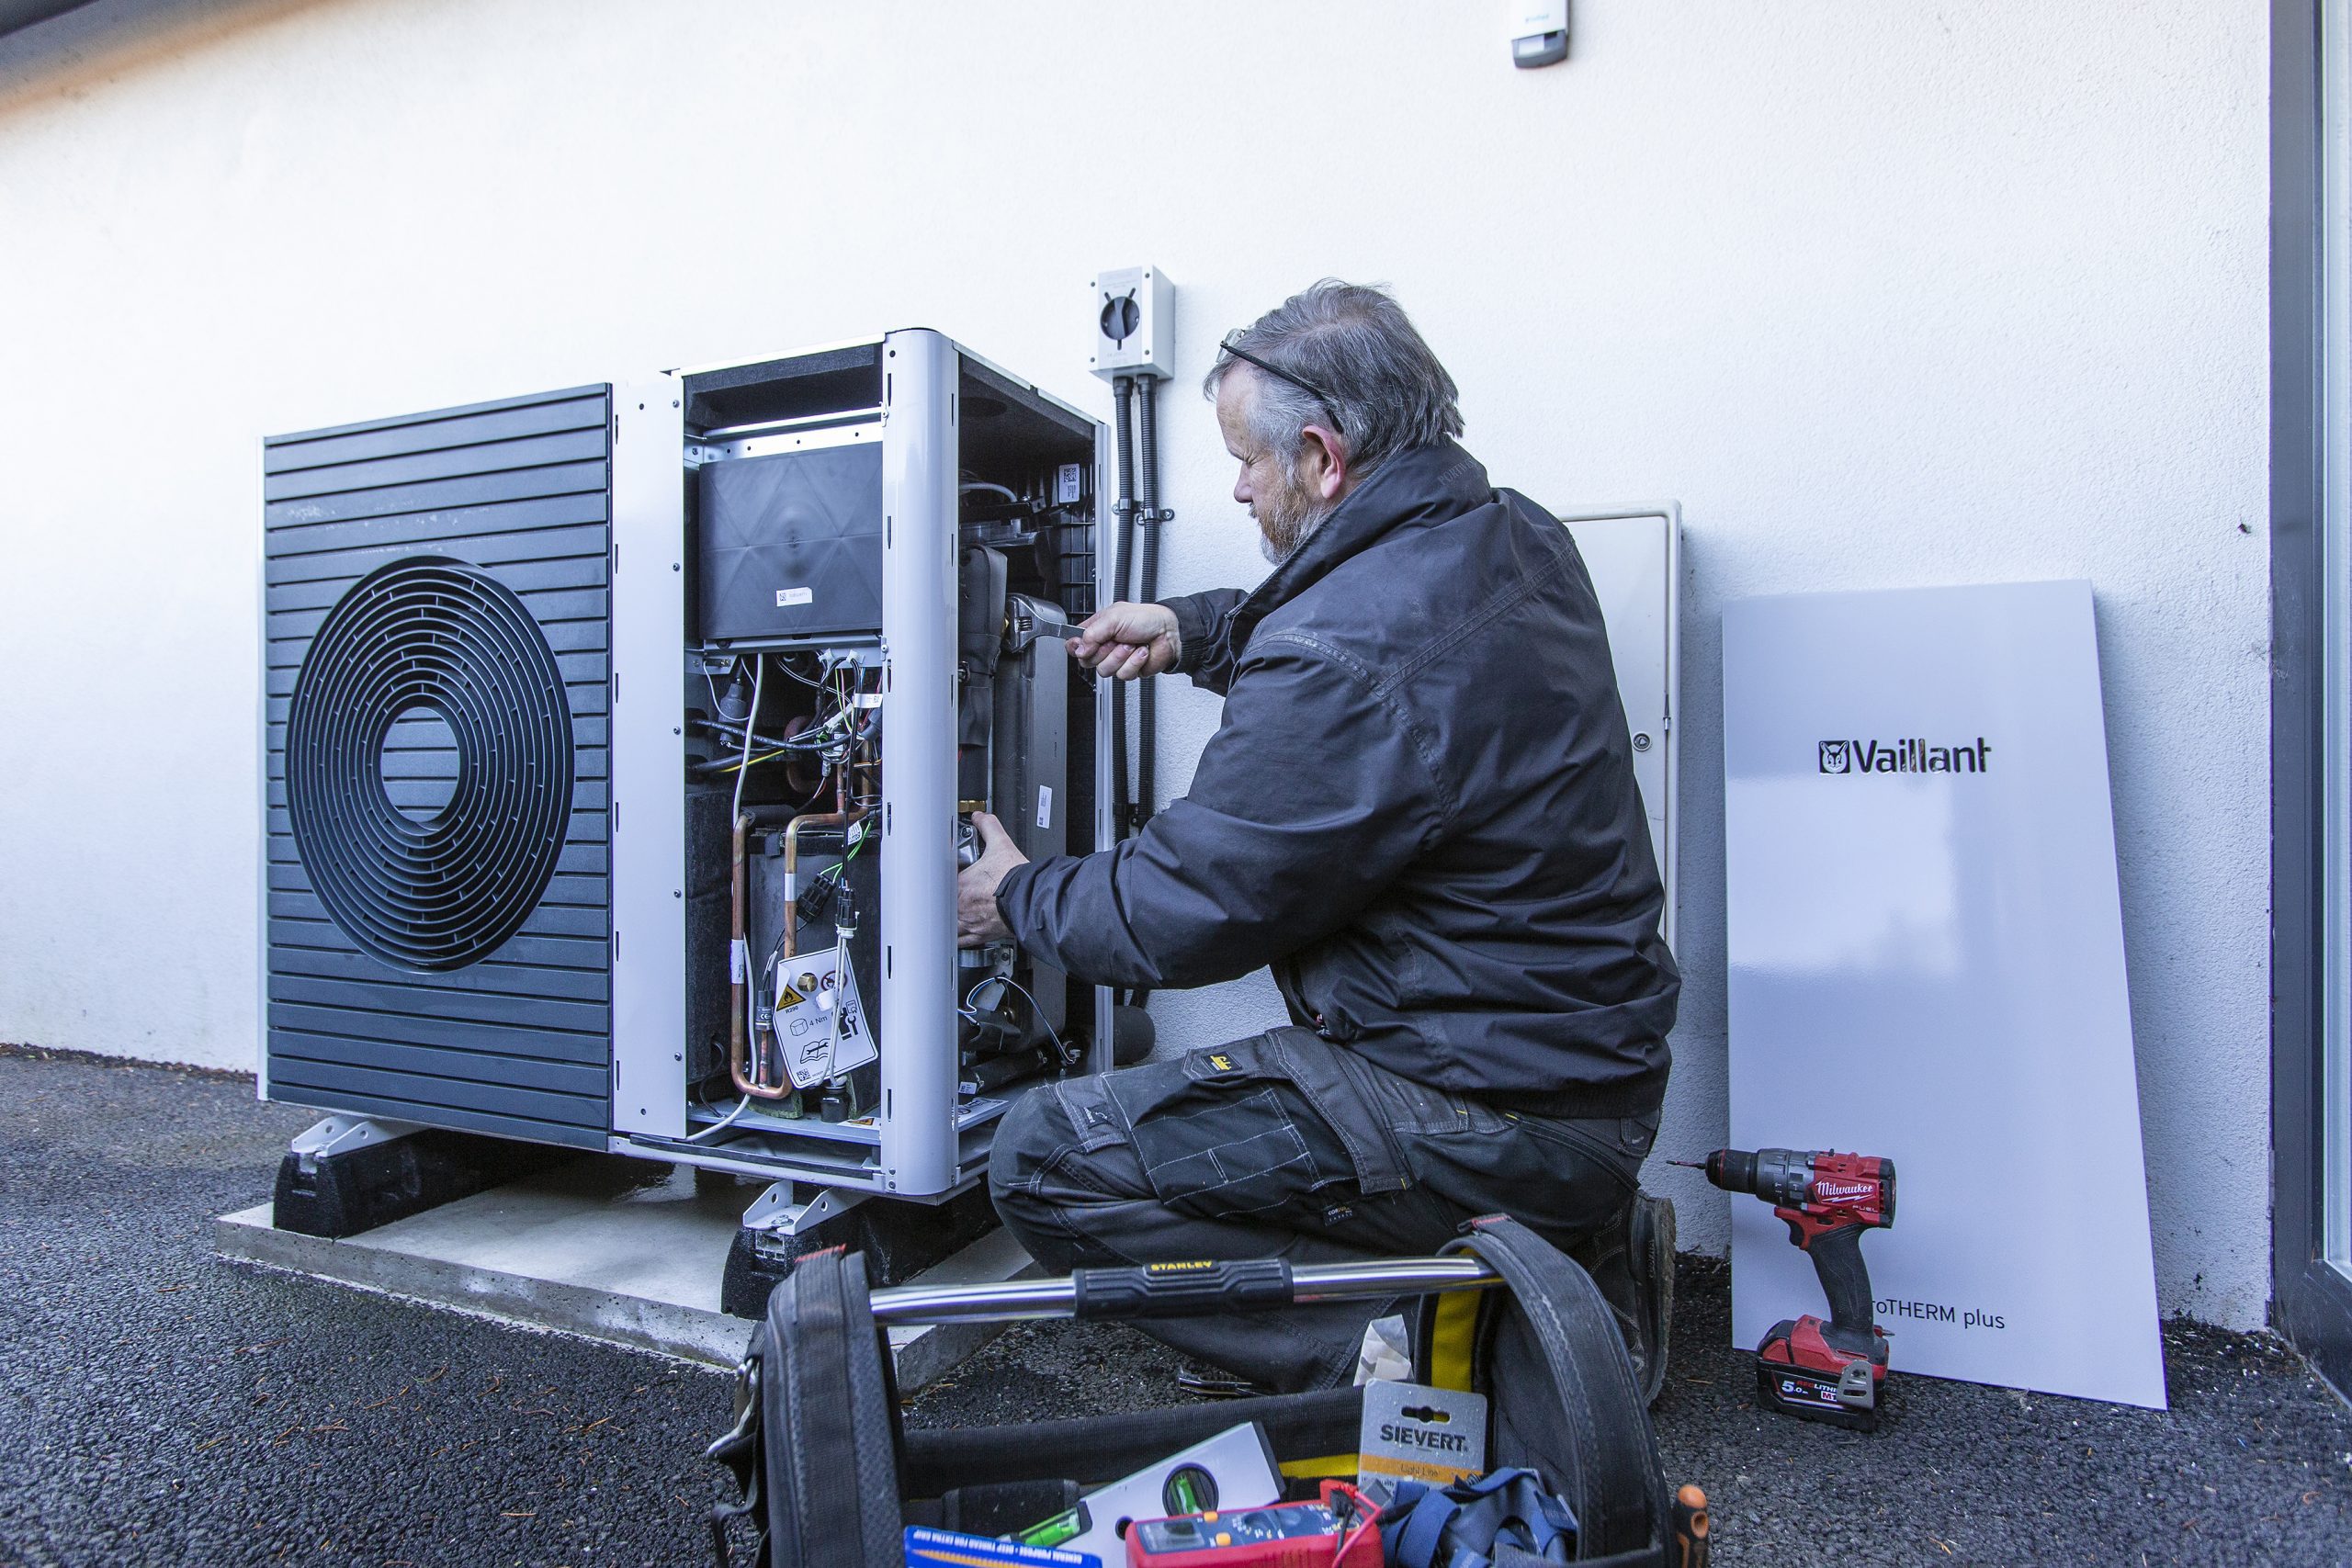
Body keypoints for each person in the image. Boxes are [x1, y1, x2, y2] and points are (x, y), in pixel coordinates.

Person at [956, 280, 1680, 1395]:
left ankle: (1434, 1366)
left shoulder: (1348, 652)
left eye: (1246, 460)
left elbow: (1177, 912)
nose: (1238, 488)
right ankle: (1572, 1255)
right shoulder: (1511, 536)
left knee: (1046, 1160)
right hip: (1587, 1084)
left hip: (1486, 1110)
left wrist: (1014, 894)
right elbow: (1381, 649)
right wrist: (1194, 629)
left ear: (1322, 454)